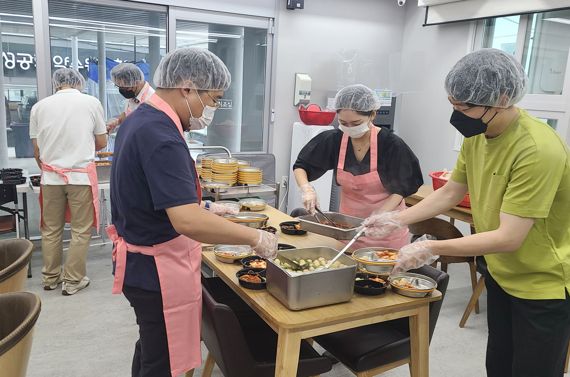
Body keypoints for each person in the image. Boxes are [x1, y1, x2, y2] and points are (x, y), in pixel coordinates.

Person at [364, 48, 570, 377]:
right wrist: (397, 218)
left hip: (541, 284)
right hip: (501, 276)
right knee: (499, 366)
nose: (458, 114)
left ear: (503, 98)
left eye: (467, 107)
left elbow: (509, 237)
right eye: (454, 105)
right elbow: (451, 191)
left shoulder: (536, 149)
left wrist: (430, 246)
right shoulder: (477, 135)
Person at [108, 47, 277, 377]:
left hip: (139, 262)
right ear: (187, 87)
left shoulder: (140, 118)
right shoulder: (161, 134)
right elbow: (184, 220)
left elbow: (151, 194)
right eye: (212, 99)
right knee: (162, 361)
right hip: (156, 268)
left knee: (151, 346)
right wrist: (255, 237)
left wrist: (207, 207)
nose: (210, 110)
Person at [293, 84, 423, 250]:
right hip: (347, 230)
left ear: (373, 115)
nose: (349, 128)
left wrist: (380, 215)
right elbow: (301, 166)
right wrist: (306, 189)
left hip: (385, 232)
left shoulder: (391, 145)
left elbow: (403, 187)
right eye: (343, 123)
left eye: (356, 123)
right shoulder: (335, 140)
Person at [30, 67, 107, 295]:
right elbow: (101, 142)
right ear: (78, 82)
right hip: (80, 177)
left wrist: (49, 166)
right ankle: (73, 281)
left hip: (50, 178)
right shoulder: (91, 102)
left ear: (57, 83)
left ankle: (50, 278)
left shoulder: (39, 107)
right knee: (80, 230)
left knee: (51, 229)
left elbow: (37, 149)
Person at [106, 62, 155, 133]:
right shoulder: (134, 94)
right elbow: (128, 113)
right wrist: (117, 121)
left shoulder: (150, 101)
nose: (122, 90)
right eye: (118, 86)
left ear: (136, 82)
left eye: (125, 88)